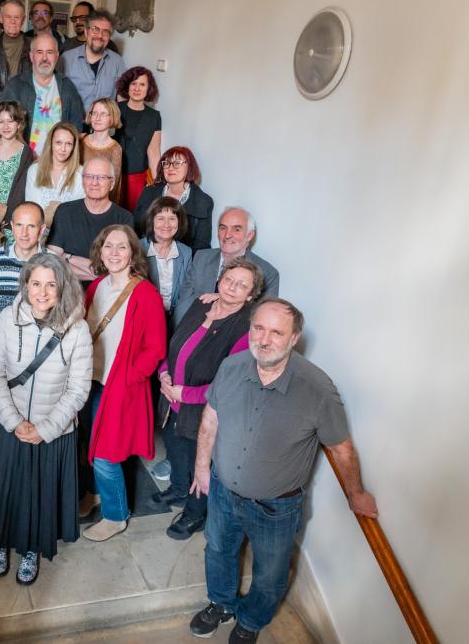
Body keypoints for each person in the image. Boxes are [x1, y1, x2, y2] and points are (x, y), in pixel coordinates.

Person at [188, 298, 378, 641]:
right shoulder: (231, 367)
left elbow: (341, 447)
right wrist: (202, 467)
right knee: (217, 549)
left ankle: (251, 621)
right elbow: (210, 419)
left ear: (294, 338)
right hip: (222, 489)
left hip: (275, 508)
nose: (264, 339)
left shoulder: (317, 389)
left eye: (276, 332)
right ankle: (221, 603)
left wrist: (356, 493)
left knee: (270, 574)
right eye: (258, 328)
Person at [0, 253, 92, 585]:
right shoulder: (8, 318)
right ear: (25, 285)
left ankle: (31, 548)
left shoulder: (78, 329)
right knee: (5, 489)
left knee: (40, 494)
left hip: (53, 431)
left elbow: (78, 389)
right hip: (11, 424)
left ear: (62, 287)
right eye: (35, 284)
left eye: (51, 285)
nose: (42, 293)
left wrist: (45, 429)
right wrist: (13, 421)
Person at [155, 257, 262, 545]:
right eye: (229, 280)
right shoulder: (201, 305)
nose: (232, 287)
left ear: (250, 295)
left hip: (203, 411)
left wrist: (184, 394)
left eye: (242, 285)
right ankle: (178, 489)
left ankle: (195, 513)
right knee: (176, 450)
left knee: (199, 463)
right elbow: (175, 344)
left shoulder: (245, 329)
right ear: (219, 281)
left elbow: (229, 384)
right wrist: (164, 373)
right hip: (172, 401)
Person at [79, 225, 167, 541]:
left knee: (107, 452)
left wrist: (130, 377)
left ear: (132, 253)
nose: (114, 253)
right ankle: (98, 493)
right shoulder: (97, 286)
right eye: (108, 246)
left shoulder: (146, 294)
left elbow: (156, 349)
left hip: (120, 387)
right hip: (90, 380)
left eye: (121, 247)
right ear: (100, 251)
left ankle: (116, 516)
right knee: (90, 442)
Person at [0, 202, 50, 477]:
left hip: (39, 354)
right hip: (0, 352)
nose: (24, 233)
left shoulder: (52, 264)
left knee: (34, 409)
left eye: (31, 226)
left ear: (42, 229)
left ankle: (26, 464)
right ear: (10, 227)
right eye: (19, 225)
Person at [172, 206, 280, 323]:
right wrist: (182, 331)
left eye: (236, 229)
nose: (227, 235)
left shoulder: (268, 274)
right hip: (193, 327)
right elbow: (183, 304)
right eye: (223, 228)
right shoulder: (201, 257)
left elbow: (262, 319)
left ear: (249, 235)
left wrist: (226, 299)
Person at [48, 157, 134, 282]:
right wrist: (99, 274)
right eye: (89, 176)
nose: (94, 182)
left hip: (107, 290)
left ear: (112, 183)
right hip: (68, 288)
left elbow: (121, 267)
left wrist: (68, 257)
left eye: (101, 177)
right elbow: (52, 261)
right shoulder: (64, 211)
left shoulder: (124, 218)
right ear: (83, 181)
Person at [0, 34, 84, 156]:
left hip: (58, 160)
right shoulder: (15, 86)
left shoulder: (67, 87)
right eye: (39, 52)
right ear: (31, 56)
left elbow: (76, 127)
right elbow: (2, 127)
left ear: (56, 56)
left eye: (49, 52)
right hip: (23, 160)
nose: (44, 58)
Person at [133, 146, 214, 252]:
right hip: (147, 254)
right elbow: (136, 231)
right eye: (166, 163)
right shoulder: (149, 192)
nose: (170, 167)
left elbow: (201, 246)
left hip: (185, 259)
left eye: (177, 163)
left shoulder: (203, 202)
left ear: (190, 167)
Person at [58, 11, 126, 111]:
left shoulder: (118, 62)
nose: (100, 35)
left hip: (106, 120)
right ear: (86, 32)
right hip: (73, 120)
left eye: (105, 32)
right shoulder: (66, 59)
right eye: (95, 29)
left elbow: (122, 99)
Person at [140, 196, 193, 320]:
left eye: (172, 218)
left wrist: (177, 322)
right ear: (151, 221)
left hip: (175, 317)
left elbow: (186, 293)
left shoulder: (186, 252)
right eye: (160, 218)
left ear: (179, 222)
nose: (166, 224)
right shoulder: (137, 248)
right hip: (144, 316)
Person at [114, 67, 163, 200]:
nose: (137, 88)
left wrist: (158, 184)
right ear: (127, 86)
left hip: (137, 178)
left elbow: (154, 152)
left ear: (148, 89)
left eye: (142, 84)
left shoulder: (154, 116)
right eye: (133, 83)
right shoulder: (115, 108)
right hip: (112, 174)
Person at [21, 122, 84, 221]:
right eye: (58, 142)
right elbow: (33, 209)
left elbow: (77, 212)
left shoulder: (81, 173)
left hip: (69, 228)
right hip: (39, 227)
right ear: (50, 143)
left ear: (73, 147)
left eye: (68, 144)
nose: (63, 149)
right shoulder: (35, 170)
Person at [80, 98, 125, 207]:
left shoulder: (115, 149)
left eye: (103, 114)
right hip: (78, 197)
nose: (97, 118)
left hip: (100, 202)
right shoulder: (80, 140)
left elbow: (114, 185)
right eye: (94, 113)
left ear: (112, 118)